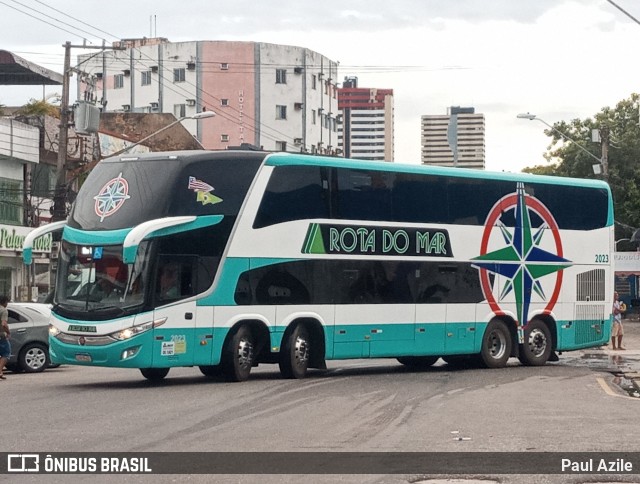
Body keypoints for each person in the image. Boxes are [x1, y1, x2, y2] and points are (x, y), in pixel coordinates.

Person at [0, 295, 11, 380]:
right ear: (4, 302)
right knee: (6, 353)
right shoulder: (3, 310)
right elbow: (4, 324)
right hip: (1, 336)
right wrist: (8, 332)